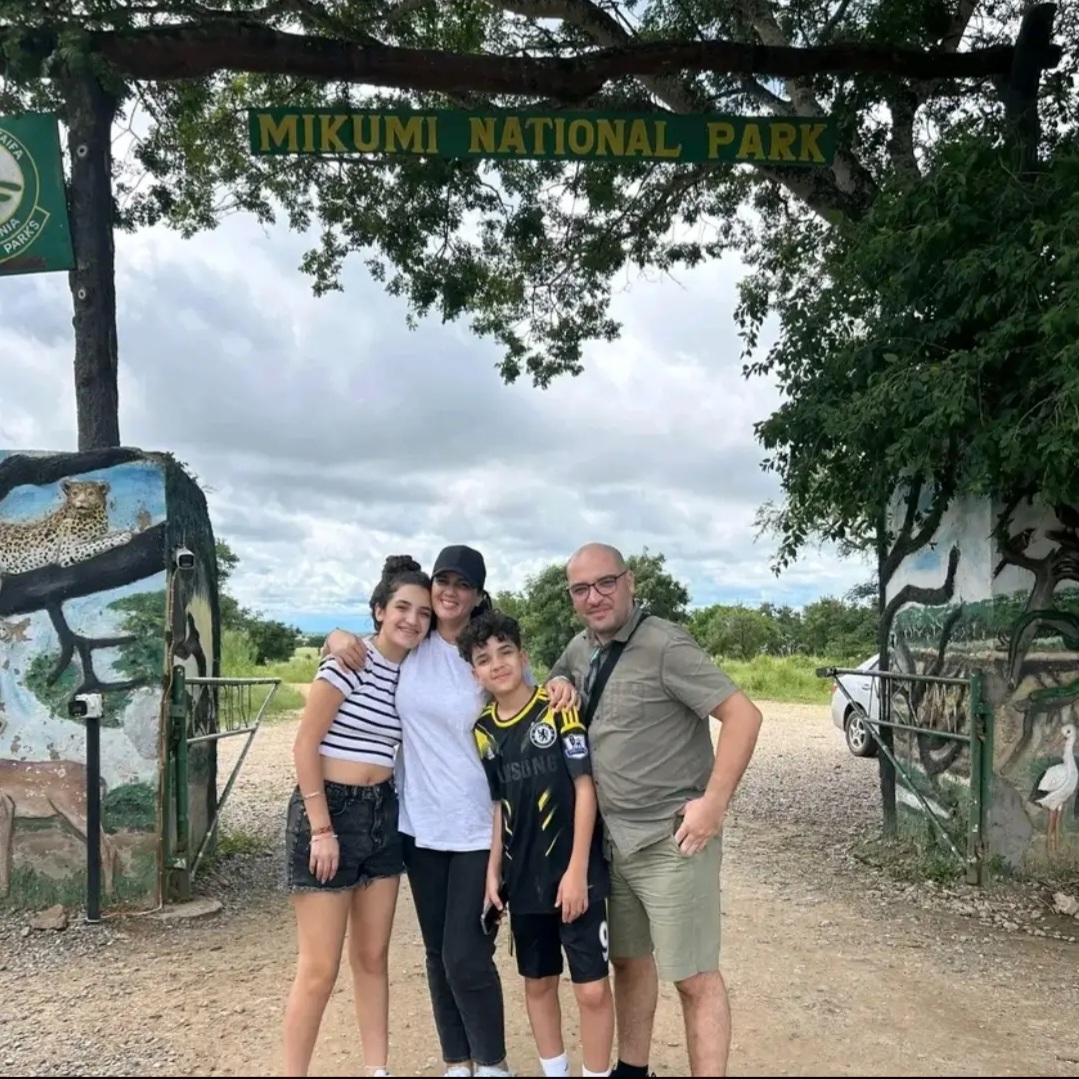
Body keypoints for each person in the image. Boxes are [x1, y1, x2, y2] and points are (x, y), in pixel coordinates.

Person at [544, 543, 763, 1079]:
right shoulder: (579, 647)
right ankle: (632, 1070)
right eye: (580, 589)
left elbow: (743, 717)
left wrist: (713, 804)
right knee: (629, 962)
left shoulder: (665, 645)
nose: (594, 597)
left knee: (692, 976)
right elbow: (557, 676)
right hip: (612, 842)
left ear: (629, 581)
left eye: (605, 583)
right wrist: (560, 681)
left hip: (671, 841)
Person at [321, 545, 516, 1078]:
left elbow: (521, 705)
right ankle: (457, 1060)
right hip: (419, 827)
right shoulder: (415, 646)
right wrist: (333, 638)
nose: (450, 591)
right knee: (436, 953)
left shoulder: (483, 657)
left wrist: (562, 684)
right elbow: (369, 645)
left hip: (479, 828)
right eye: (443, 581)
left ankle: (493, 1063)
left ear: (477, 596)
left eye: (463, 585)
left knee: (466, 954)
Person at [282, 554, 434, 1079]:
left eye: (423, 612)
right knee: (320, 967)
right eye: (402, 608)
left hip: (383, 813)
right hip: (331, 809)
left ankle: (377, 1069)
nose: (412, 620)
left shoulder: (415, 671)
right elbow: (305, 746)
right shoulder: (349, 662)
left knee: (373, 957)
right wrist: (321, 829)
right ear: (379, 610)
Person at [459, 609, 614, 1079]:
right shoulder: (483, 730)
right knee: (538, 984)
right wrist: (492, 873)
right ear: (474, 671)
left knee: (591, 990)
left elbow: (585, 788)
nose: (497, 663)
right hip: (522, 882)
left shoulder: (557, 707)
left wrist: (576, 872)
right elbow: (498, 804)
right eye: (484, 658)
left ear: (523, 656)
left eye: (506, 651)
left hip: (574, 875)